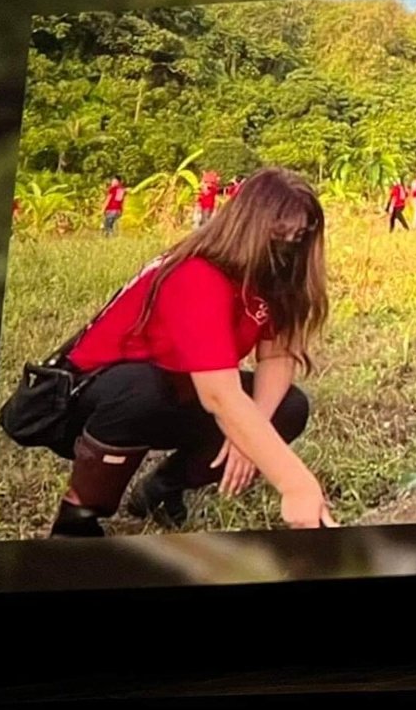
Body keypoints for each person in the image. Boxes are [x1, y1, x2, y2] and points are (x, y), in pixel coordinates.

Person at [42, 167, 336, 537]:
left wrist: (251, 435)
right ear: (247, 225)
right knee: (142, 388)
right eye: (280, 234)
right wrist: (296, 485)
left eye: (300, 236)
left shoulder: (272, 278)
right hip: (88, 400)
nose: (289, 246)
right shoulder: (197, 274)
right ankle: (77, 515)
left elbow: (277, 356)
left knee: (288, 407)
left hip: (176, 391)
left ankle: (162, 490)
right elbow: (218, 395)